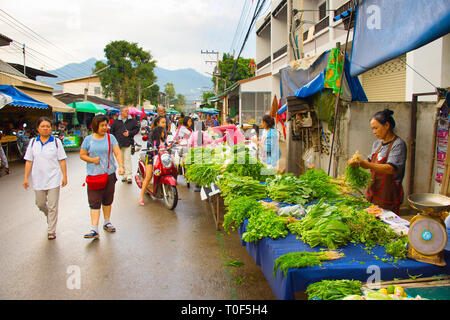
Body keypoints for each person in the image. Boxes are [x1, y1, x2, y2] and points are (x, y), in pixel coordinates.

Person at [348, 109, 407, 214]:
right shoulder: (377, 144)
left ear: (387, 125)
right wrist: (356, 163)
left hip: (388, 196)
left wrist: (364, 163)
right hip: (373, 193)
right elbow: (368, 162)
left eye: (376, 128)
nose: (374, 132)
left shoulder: (398, 144)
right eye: (372, 129)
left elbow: (390, 169)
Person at [80, 115, 125, 239]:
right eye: (102, 125)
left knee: (107, 200)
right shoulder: (88, 140)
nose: (105, 127)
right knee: (94, 202)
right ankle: (94, 229)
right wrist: (92, 160)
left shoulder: (111, 138)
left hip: (109, 174)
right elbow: (82, 155)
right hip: (94, 176)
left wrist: (121, 166)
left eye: (106, 125)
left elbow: (117, 152)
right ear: (96, 126)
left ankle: (107, 222)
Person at [23, 117, 68, 240]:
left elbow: (62, 160)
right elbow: (28, 161)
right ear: (38, 128)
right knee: (40, 203)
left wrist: (65, 176)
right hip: (38, 179)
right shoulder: (33, 143)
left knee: (53, 206)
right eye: (42, 126)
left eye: (48, 126)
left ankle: (51, 230)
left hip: (53, 178)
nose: (45, 128)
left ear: (51, 128)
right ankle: (49, 216)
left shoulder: (56, 142)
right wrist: (25, 178)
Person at [138, 125, 168, 205]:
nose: (164, 133)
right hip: (151, 159)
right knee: (148, 176)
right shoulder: (152, 141)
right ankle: (141, 197)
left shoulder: (163, 140)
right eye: (162, 132)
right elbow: (150, 149)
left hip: (161, 159)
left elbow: (167, 147)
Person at [110, 106, 139, 183]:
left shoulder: (132, 121)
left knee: (127, 159)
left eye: (127, 111)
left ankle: (129, 175)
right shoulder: (116, 121)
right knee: (121, 160)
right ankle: (124, 175)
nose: (127, 112)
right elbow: (111, 131)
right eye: (125, 111)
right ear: (121, 112)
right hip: (118, 144)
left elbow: (136, 129)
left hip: (128, 142)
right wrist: (114, 141)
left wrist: (129, 133)